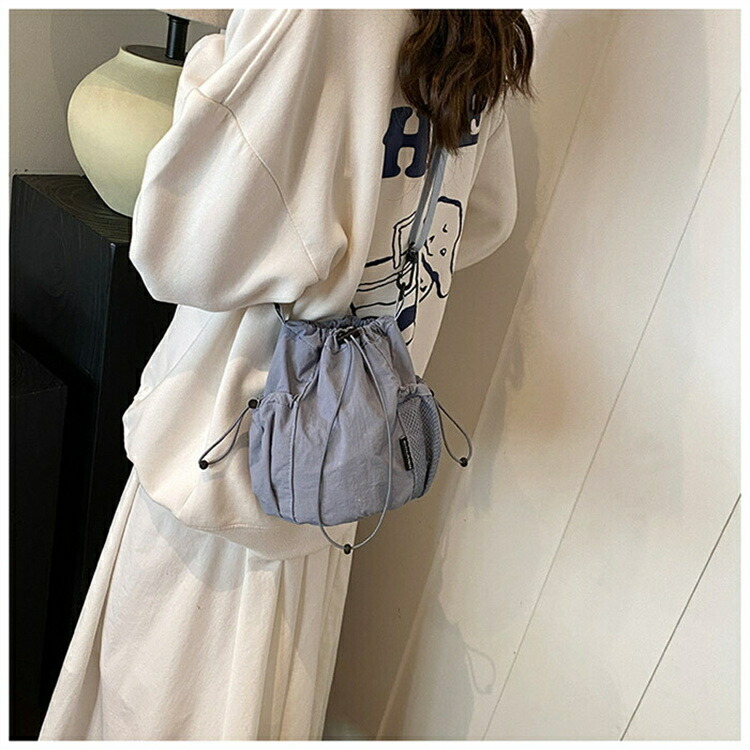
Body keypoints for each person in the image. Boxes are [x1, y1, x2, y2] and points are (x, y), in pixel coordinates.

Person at [39, 8, 533, 740]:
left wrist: (216, 62)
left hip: (225, 471)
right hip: (333, 475)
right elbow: (485, 218)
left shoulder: (317, 15)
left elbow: (175, 246)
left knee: (151, 713)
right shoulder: (482, 21)